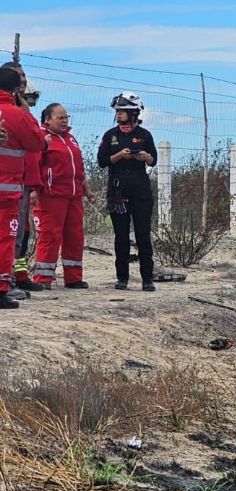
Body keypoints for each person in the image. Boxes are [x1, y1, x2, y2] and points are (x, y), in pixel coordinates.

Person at [97, 91, 157, 291]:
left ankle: (147, 279)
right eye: (117, 111)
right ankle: (122, 278)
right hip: (118, 189)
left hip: (140, 188)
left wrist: (145, 157)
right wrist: (119, 155)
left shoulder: (144, 135)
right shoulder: (110, 135)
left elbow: (153, 160)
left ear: (133, 113)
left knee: (143, 235)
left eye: (122, 111)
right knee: (121, 236)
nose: (118, 114)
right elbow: (102, 162)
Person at [0, 67, 48, 309]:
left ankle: (17, 278)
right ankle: (2, 288)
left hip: (18, 186)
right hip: (7, 190)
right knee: (6, 239)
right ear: (16, 89)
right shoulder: (17, 115)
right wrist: (26, 113)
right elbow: (37, 142)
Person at [33, 103, 94, 290]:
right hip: (51, 196)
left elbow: (79, 169)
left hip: (74, 196)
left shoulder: (71, 139)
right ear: (47, 119)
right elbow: (35, 165)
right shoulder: (42, 138)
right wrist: (35, 189)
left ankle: (74, 278)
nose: (65, 120)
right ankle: (43, 278)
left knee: (75, 236)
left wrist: (87, 190)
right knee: (50, 235)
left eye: (66, 117)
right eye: (60, 117)